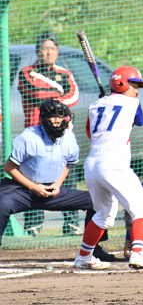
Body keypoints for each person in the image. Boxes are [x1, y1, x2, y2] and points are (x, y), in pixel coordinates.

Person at [72, 66, 143, 270]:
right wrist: (117, 101)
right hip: (113, 163)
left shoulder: (95, 105)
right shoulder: (132, 102)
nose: (137, 90)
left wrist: (107, 100)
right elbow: (140, 120)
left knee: (103, 215)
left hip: (92, 164)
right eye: (134, 85)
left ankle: (84, 257)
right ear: (121, 83)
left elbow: (90, 132)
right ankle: (139, 254)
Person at [0, 100, 106, 247]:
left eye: (61, 116)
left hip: (53, 191)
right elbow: (9, 168)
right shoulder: (28, 137)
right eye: (53, 116)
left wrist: (57, 184)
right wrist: (34, 187)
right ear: (42, 118)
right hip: (25, 191)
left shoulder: (69, 137)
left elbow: (68, 164)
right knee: (2, 204)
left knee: (97, 201)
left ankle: (94, 247)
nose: (58, 120)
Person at [17, 31, 82, 237]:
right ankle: (33, 227)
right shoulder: (27, 72)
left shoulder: (65, 73)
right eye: (45, 48)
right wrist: (58, 97)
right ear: (38, 51)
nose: (49, 52)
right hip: (37, 135)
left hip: (61, 136)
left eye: (53, 48)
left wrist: (55, 100)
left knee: (66, 176)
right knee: (34, 179)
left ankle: (71, 224)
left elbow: (73, 96)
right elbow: (35, 94)